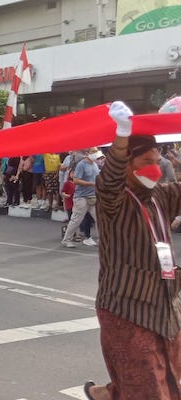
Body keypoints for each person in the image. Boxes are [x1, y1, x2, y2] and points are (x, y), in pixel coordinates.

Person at [82, 101, 181, 400]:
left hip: (166, 305)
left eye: (157, 160)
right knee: (147, 385)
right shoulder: (114, 201)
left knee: (171, 378)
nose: (154, 168)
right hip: (126, 306)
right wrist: (123, 134)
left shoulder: (161, 196)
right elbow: (108, 179)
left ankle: (104, 393)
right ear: (127, 165)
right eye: (144, 163)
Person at [60, 148, 102, 248]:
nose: (95, 154)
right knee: (76, 219)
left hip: (92, 196)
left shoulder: (95, 165)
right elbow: (76, 180)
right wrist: (91, 184)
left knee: (100, 219)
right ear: (87, 153)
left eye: (96, 152)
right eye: (93, 152)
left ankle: (102, 240)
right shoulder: (81, 165)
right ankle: (66, 239)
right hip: (81, 197)